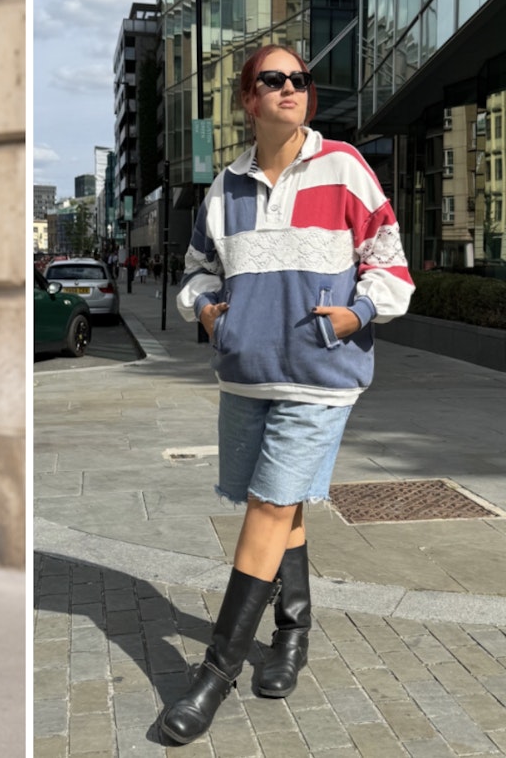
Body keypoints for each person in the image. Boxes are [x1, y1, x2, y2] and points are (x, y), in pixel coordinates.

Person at [157, 44, 414, 744]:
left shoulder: (345, 168)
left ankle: (214, 673)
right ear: (248, 99)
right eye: (274, 80)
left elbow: (390, 263)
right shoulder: (225, 188)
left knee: (271, 505)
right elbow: (195, 274)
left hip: (320, 376)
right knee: (278, 500)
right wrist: (209, 312)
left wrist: (355, 314)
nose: (291, 88)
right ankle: (293, 635)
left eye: (300, 79)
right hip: (246, 372)